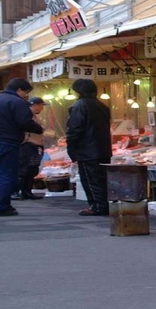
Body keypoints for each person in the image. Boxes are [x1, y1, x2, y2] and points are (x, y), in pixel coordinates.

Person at [0, 78, 43, 217]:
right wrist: (38, 129)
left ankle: (1, 204)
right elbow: (24, 122)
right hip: (7, 141)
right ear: (19, 90)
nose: (26, 96)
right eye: (25, 93)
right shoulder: (17, 102)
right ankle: (0, 206)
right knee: (7, 175)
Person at [66, 79, 112, 217]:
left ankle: (98, 206)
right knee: (101, 179)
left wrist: (71, 148)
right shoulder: (102, 106)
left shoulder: (79, 105)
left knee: (91, 179)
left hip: (87, 149)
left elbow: (74, 129)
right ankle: (103, 204)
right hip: (102, 148)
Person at [14, 97, 48, 200]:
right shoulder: (27, 116)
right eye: (41, 105)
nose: (42, 108)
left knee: (32, 169)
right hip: (28, 144)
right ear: (35, 105)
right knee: (25, 169)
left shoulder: (35, 117)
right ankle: (18, 191)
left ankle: (27, 191)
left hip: (36, 145)